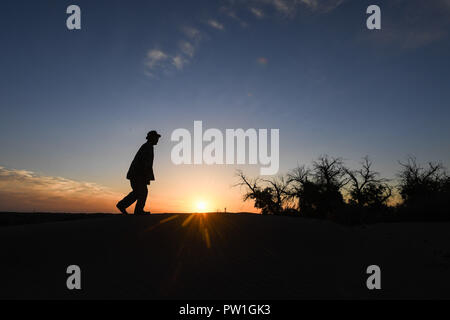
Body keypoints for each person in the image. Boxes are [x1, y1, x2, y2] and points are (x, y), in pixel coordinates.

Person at [117, 130, 161, 215]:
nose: (157, 140)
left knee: (138, 192)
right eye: (156, 138)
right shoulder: (147, 147)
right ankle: (137, 211)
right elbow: (145, 163)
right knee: (142, 192)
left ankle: (122, 205)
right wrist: (145, 176)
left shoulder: (148, 146)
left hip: (137, 174)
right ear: (152, 138)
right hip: (138, 174)